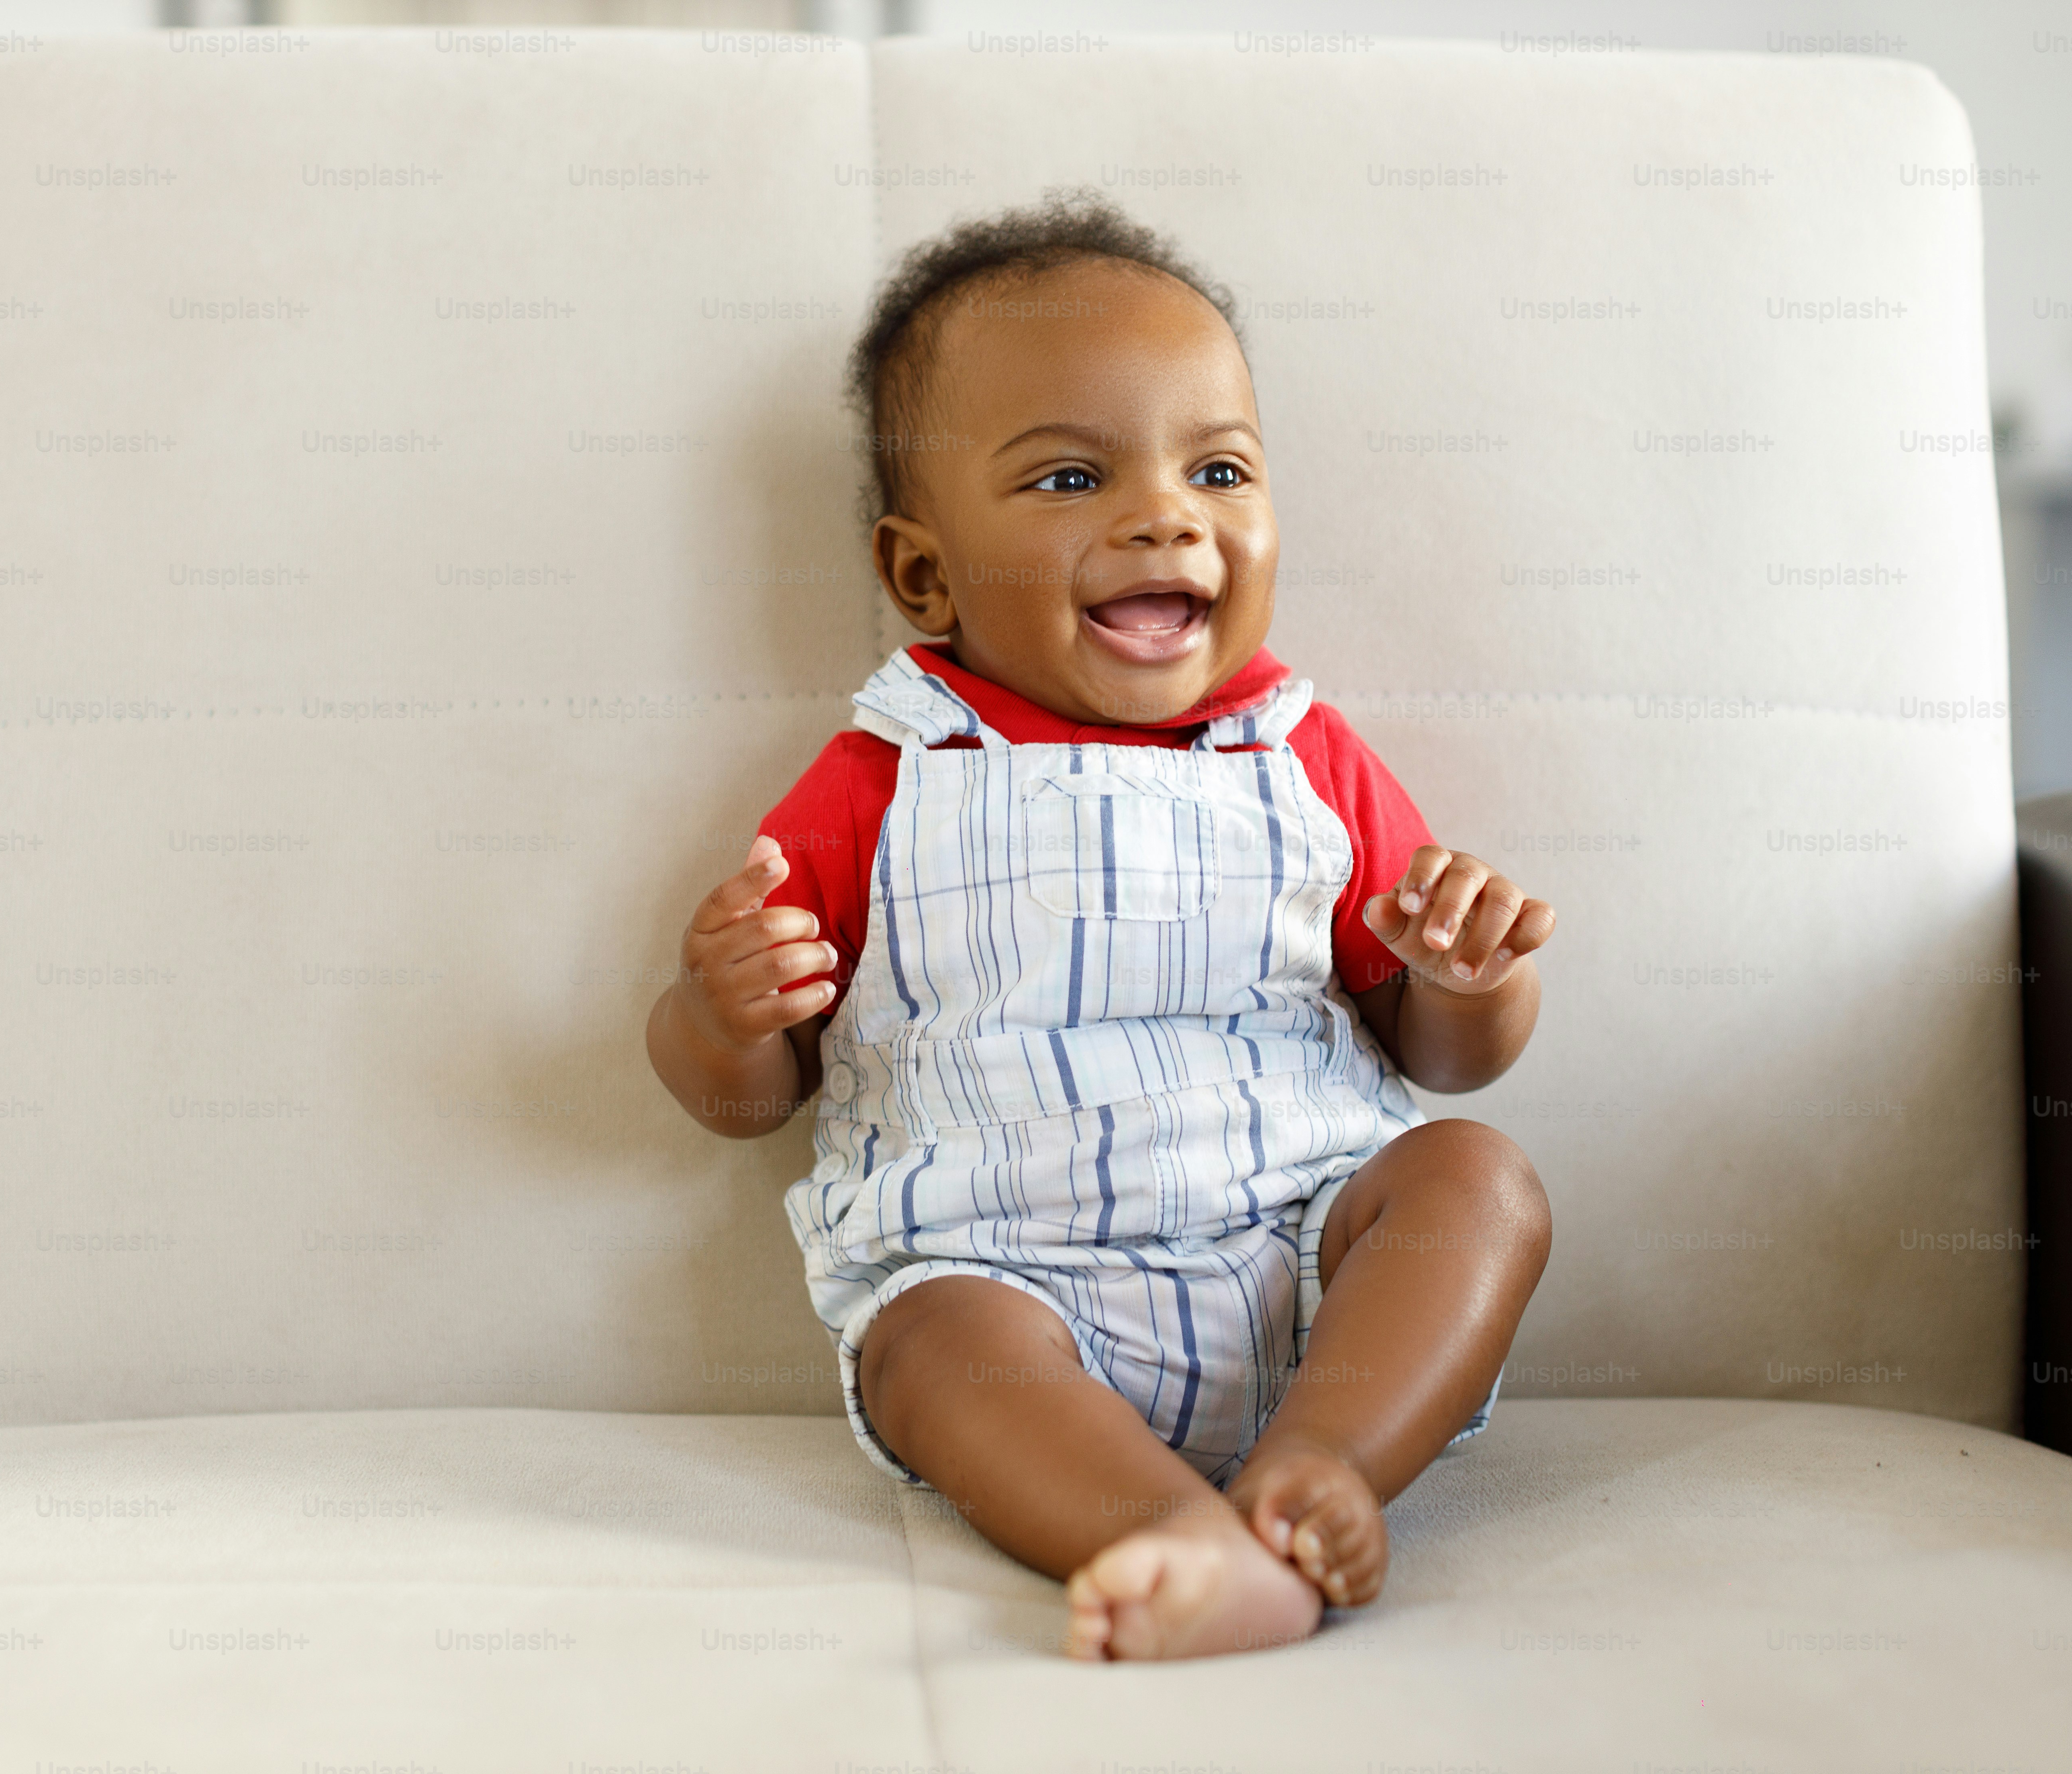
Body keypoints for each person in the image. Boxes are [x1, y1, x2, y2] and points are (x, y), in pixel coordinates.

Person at [646, 191, 1555, 1661]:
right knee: (924, 1344)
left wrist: (1470, 982)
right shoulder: (886, 769)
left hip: (1307, 1262)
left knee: (1477, 1179)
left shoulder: (1298, 753)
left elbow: (1441, 1062)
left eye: (1217, 467)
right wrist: (722, 1015)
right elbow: (742, 1103)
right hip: (1010, 1291)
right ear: (925, 574)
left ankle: (1322, 1463)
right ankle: (1175, 1541)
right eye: (1070, 479)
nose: (1163, 513)